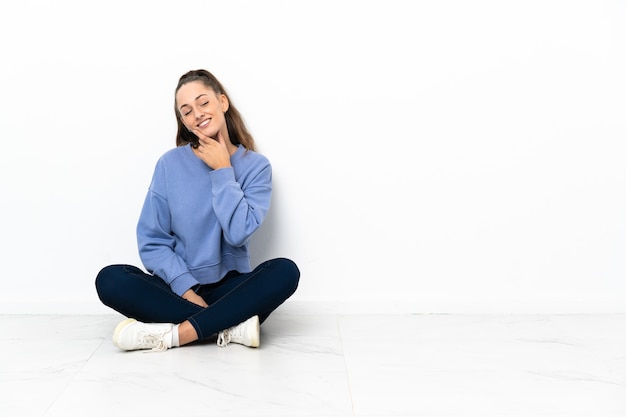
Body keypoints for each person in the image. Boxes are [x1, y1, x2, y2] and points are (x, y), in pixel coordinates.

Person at [95, 69, 300, 352]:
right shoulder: (170, 164)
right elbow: (152, 240)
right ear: (183, 121)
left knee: (284, 272)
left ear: (222, 102)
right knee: (111, 279)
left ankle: (175, 335)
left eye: (203, 103)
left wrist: (223, 170)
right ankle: (229, 326)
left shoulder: (256, 167)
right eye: (187, 111)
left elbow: (239, 233)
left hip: (231, 288)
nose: (198, 114)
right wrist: (186, 289)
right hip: (177, 289)